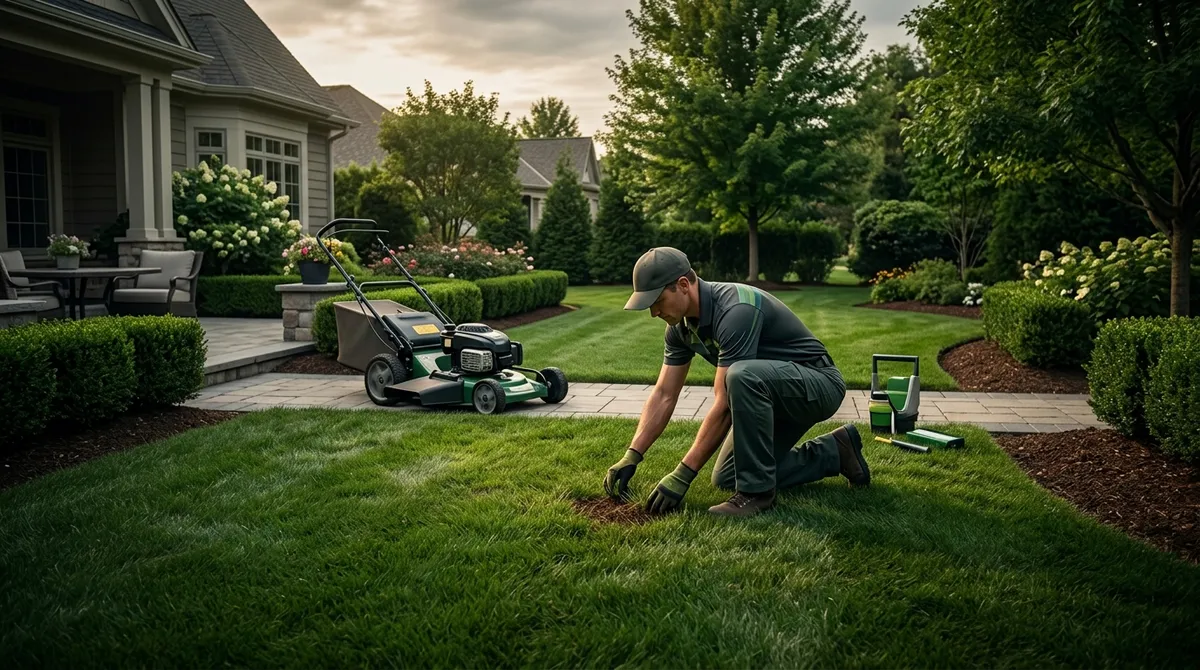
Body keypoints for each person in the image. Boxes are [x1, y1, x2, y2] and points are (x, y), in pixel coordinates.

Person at [602, 246, 870, 517]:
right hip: (770, 394)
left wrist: (683, 474)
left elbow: (724, 405)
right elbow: (664, 395)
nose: (653, 312)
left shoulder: (735, 309)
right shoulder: (679, 329)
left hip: (817, 385)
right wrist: (632, 455)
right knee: (728, 477)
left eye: (657, 301)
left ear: (683, 285)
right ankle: (836, 451)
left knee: (740, 376)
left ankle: (757, 495)